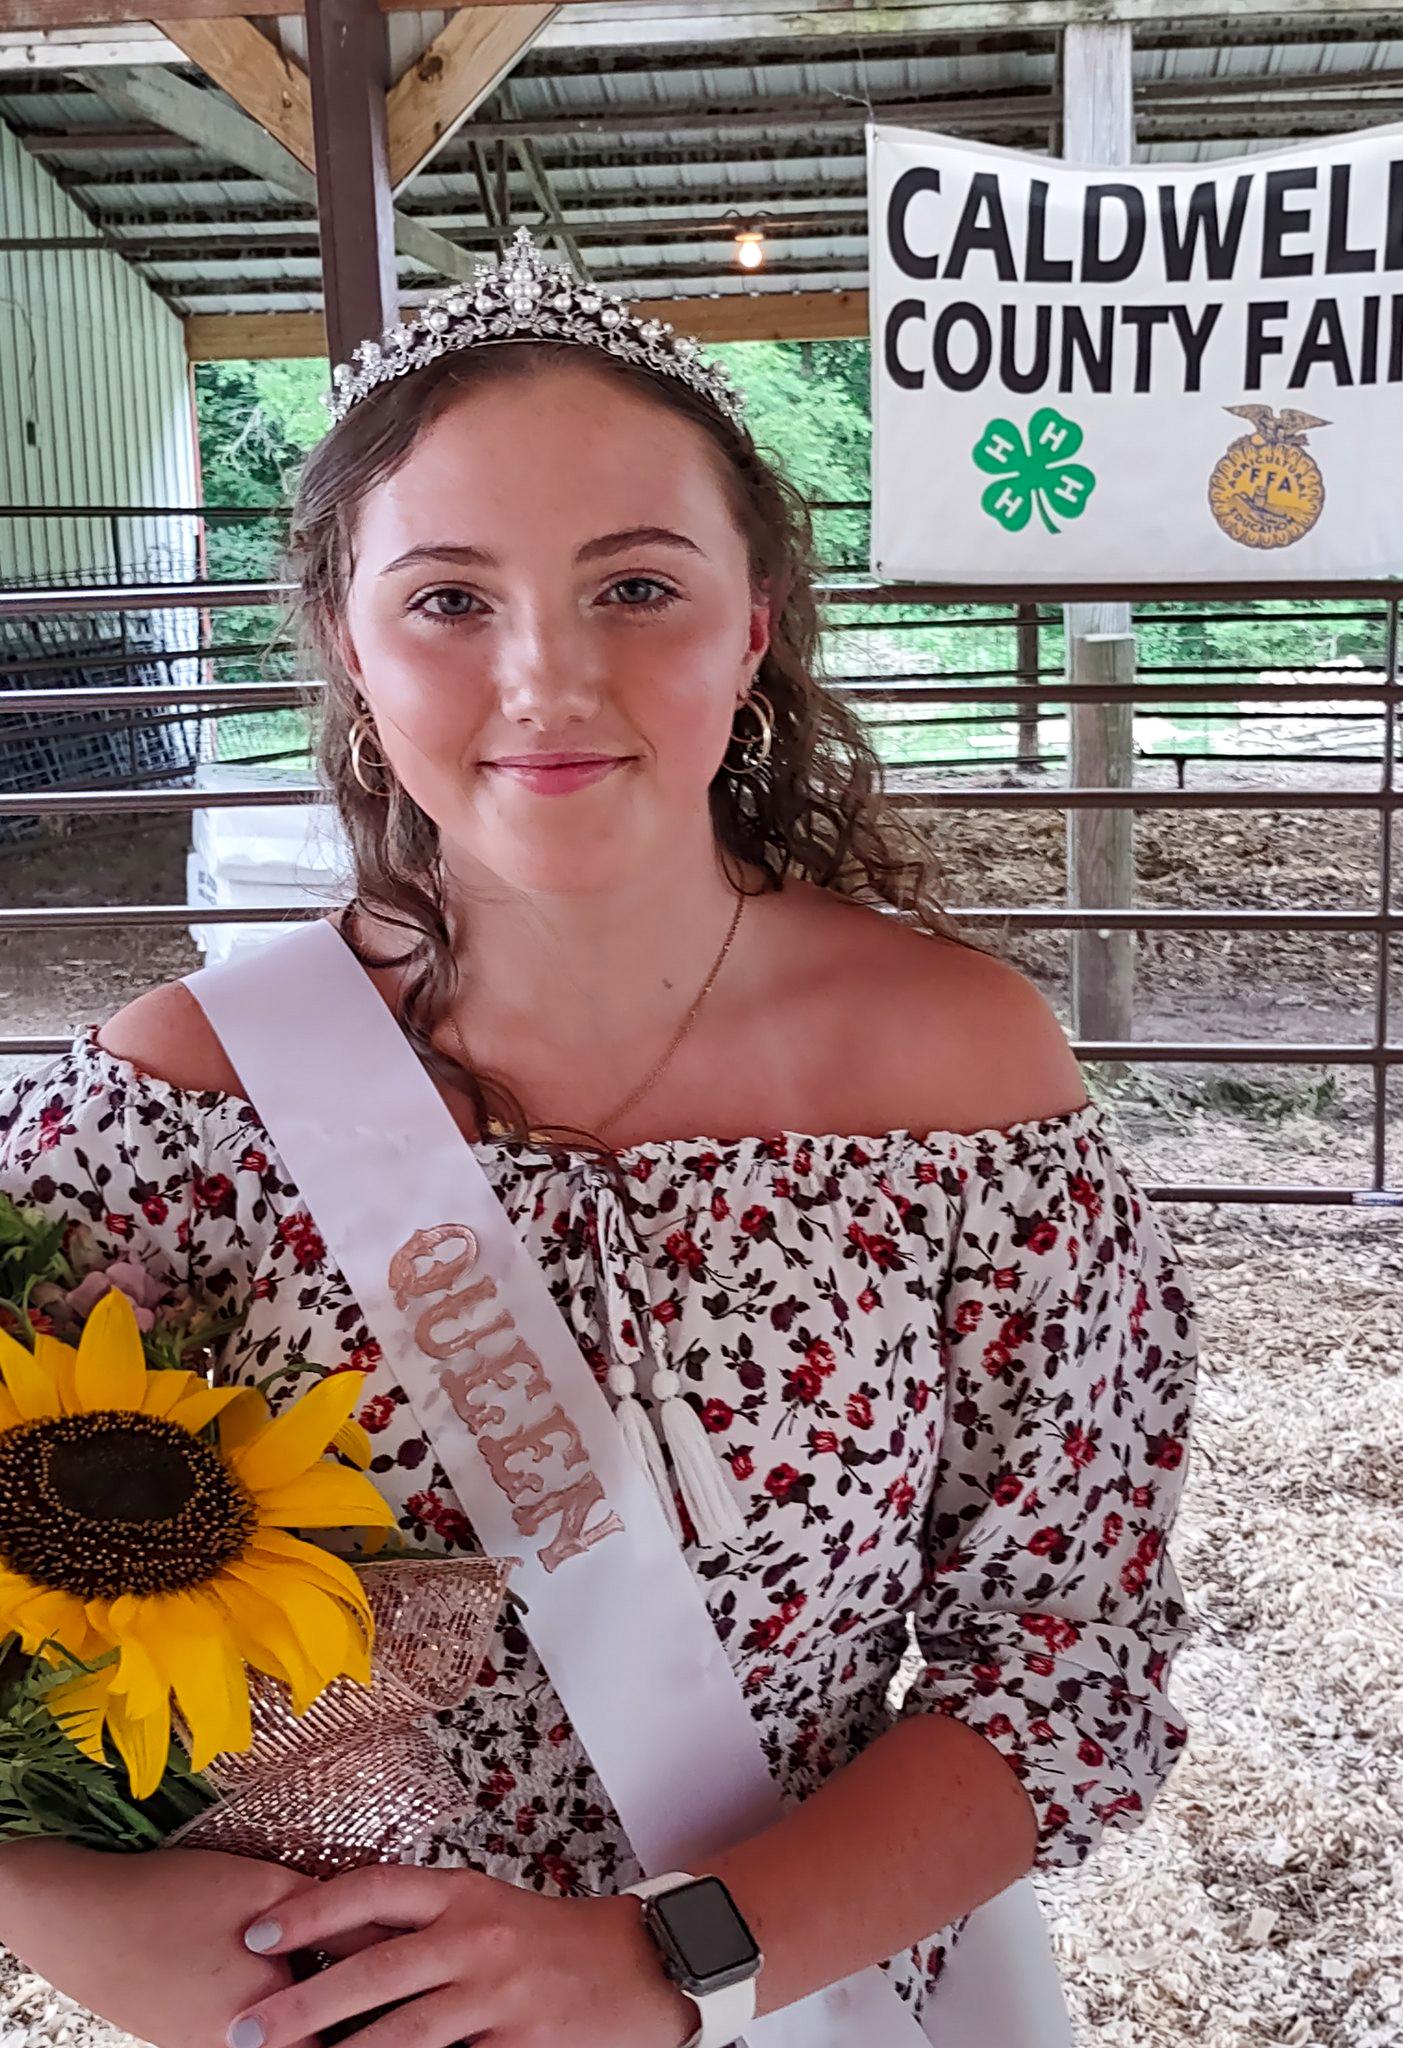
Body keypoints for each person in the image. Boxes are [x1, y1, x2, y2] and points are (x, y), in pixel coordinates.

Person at [0, 237, 1198, 2048]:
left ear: (754, 625)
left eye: (635, 585)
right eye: (449, 599)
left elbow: (1062, 1660)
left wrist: (666, 1960)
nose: (546, 678)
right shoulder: (185, 1098)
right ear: (345, 637)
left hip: (809, 1992)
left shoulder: (958, 1075)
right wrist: (59, 1898)